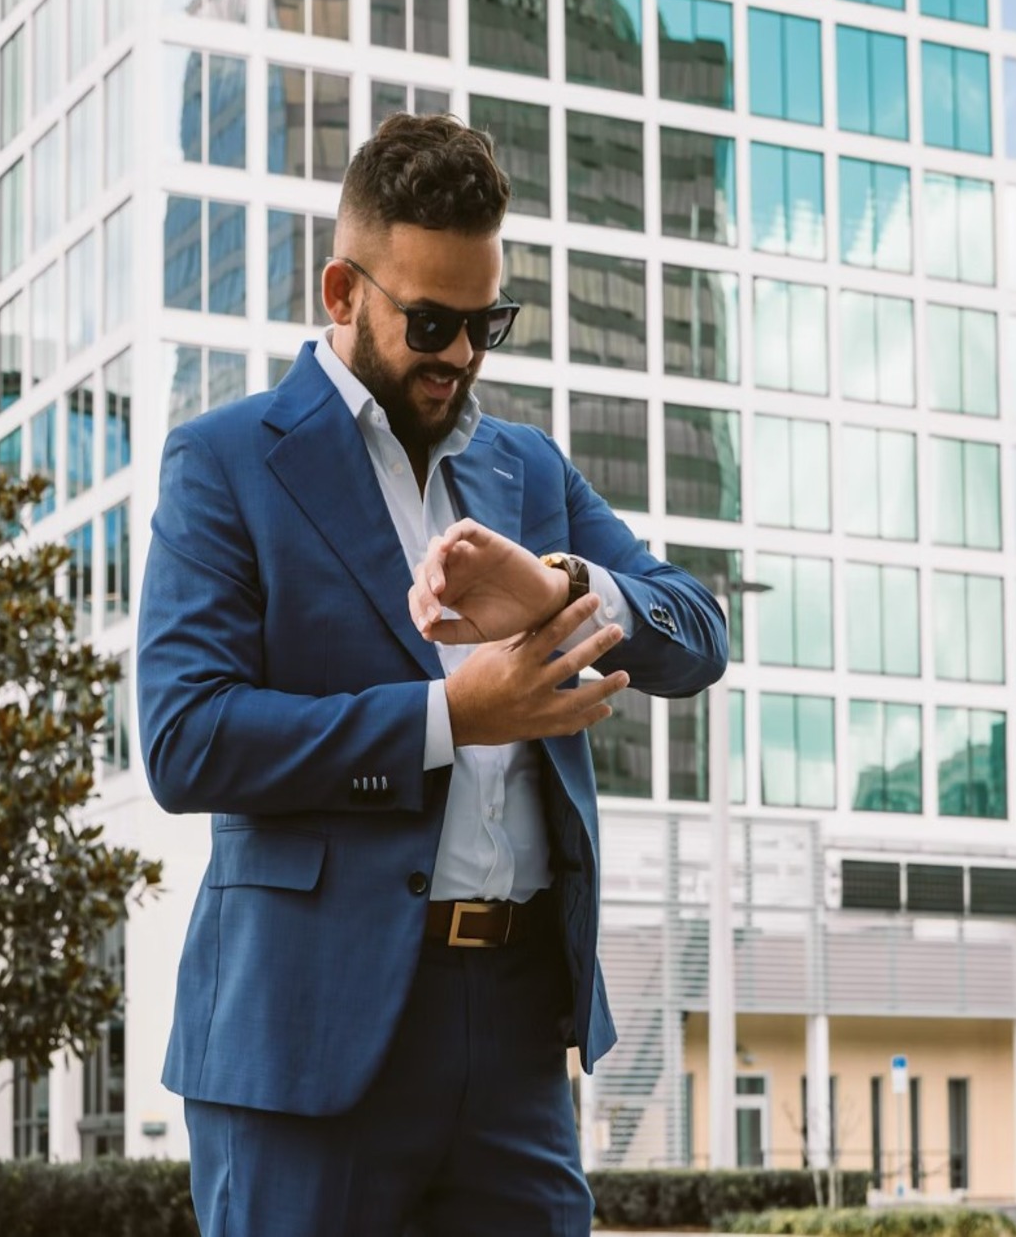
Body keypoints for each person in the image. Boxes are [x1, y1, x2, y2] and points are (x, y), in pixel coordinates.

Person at [138, 112, 729, 1236]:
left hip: (514, 1035)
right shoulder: (224, 462)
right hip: (304, 1038)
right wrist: (449, 716)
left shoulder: (528, 470)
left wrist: (561, 589)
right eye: (431, 321)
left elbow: (698, 631)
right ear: (342, 291)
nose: (460, 354)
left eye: (484, 322)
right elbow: (187, 738)